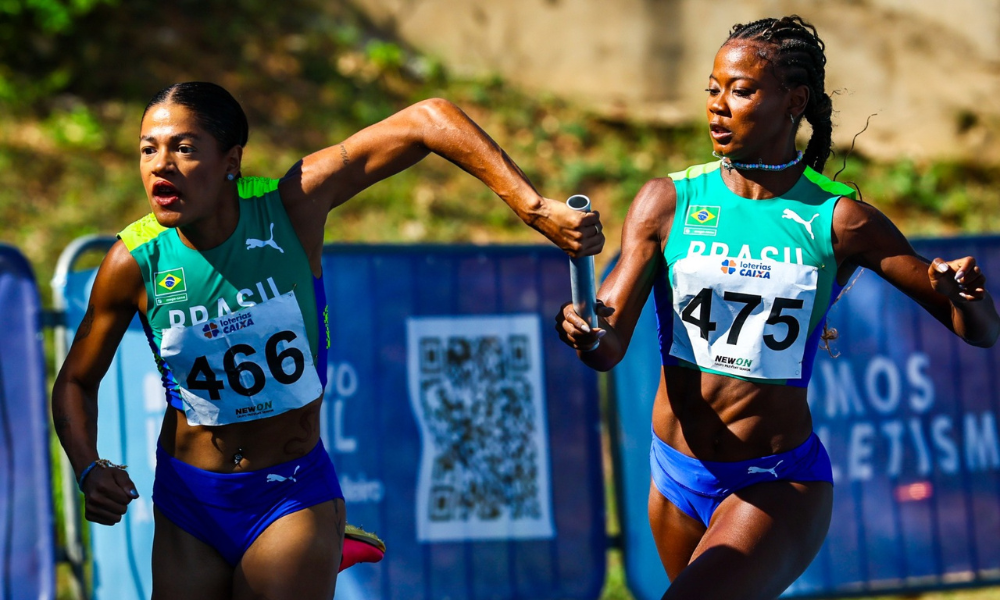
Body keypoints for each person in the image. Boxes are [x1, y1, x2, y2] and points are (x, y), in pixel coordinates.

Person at [51, 81, 604, 600]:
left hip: (286, 493)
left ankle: (318, 539)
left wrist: (534, 207)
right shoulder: (132, 261)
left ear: (231, 162)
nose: (160, 166)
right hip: (189, 500)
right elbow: (77, 379)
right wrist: (86, 467)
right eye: (148, 150)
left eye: (184, 148)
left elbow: (426, 120)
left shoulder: (290, 206)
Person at [555, 15, 999, 600]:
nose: (718, 105)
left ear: (794, 101)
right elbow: (607, 348)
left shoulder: (840, 220)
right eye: (712, 89)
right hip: (676, 475)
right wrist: (584, 328)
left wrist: (967, 297)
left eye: (740, 90)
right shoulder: (667, 201)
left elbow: (980, 332)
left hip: (775, 482)